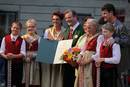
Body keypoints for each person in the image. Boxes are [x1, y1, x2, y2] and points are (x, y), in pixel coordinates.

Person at [101, 3, 129, 86]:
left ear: (111, 13)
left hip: (120, 64)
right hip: (110, 63)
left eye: (105, 13)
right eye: (102, 13)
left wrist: (115, 39)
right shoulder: (107, 25)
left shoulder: (120, 26)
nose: (103, 16)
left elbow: (127, 41)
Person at [92, 23, 121, 87]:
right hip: (102, 70)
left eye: (105, 32)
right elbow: (98, 54)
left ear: (112, 33)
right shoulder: (102, 42)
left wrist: (103, 59)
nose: (103, 33)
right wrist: (95, 59)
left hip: (110, 71)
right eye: (102, 31)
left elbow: (117, 60)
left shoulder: (115, 44)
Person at [41, 10, 65, 87]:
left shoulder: (65, 31)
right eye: (53, 19)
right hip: (48, 58)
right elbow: (44, 45)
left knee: (57, 77)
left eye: (57, 19)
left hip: (59, 58)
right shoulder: (47, 31)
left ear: (61, 20)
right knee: (47, 78)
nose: (55, 21)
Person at [0, 21, 26, 87]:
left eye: (17, 28)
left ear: (20, 30)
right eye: (14, 27)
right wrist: (6, 57)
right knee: (8, 81)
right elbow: (1, 51)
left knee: (17, 82)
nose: (15, 29)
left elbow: (23, 53)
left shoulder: (22, 40)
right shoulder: (5, 38)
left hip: (18, 64)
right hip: (7, 63)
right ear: (11, 28)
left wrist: (14, 56)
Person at [74, 18, 99, 87]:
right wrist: (76, 57)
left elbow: (99, 53)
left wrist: (86, 61)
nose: (87, 29)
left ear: (95, 27)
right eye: (86, 27)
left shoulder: (99, 37)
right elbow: (78, 49)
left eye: (89, 27)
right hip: (81, 65)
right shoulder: (83, 37)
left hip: (91, 65)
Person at [63, 9, 84, 87]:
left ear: (75, 17)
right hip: (66, 62)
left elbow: (82, 46)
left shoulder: (82, 30)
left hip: (76, 63)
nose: (68, 20)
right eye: (66, 18)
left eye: (69, 17)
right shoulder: (66, 30)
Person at [22, 19, 41, 87]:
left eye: (32, 26)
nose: (30, 28)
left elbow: (41, 52)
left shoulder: (39, 38)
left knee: (34, 82)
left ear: (35, 27)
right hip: (24, 63)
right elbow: (20, 51)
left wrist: (33, 55)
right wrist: (25, 57)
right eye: (29, 27)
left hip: (35, 63)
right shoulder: (22, 38)